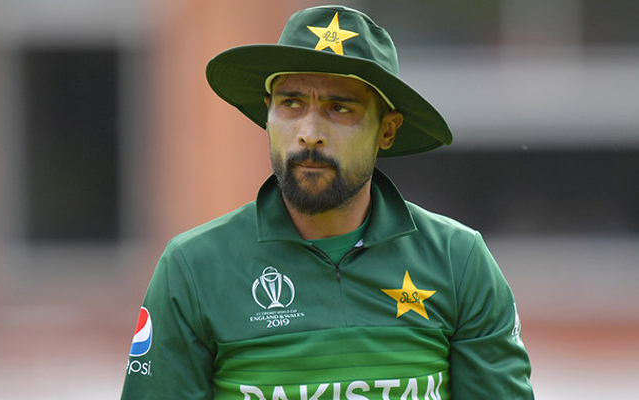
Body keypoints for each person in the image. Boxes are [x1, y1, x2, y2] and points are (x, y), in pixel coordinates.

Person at [121, 5, 534, 400]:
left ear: (387, 130)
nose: (309, 133)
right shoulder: (194, 268)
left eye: (340, 108)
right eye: (291, 104)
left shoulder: (457, 261)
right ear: (268, 115)